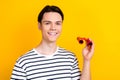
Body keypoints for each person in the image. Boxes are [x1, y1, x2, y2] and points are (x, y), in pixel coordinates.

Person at [11, 5, 94, 80]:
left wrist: (87, 60)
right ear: (39, 25)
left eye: (58, 23)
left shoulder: (70, 58)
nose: (53, 28)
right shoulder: (23, 62)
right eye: (47, 23)